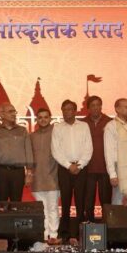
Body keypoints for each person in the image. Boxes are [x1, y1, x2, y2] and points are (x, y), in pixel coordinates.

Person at [52, 99, 92, 240]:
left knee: (81, 202)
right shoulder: (57, 128)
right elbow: (55, 151)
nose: (66, 112)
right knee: (65, 201)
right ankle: (65, 234)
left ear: (75, 111)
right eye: (64, 109)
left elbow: (88, 148)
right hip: (64, 169)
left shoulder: (84, 126)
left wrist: (79, 165)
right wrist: (69, 166)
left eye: (69, 109)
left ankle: (79, 234)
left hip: (81, 169)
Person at [30, 107, 60, 243]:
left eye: (46, 117)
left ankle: (53, 235)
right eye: (40, 117)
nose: (43, 120)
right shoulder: (32, 136)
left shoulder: (56, 133)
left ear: (50, 118)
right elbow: (29, 158)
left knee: (52, 208)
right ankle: (43, 236)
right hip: (37, 179)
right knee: (42, 211)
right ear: (37, 119)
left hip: (53, 178)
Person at [0, 102, 32, 202]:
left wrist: (29, 173)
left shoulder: (22, 131)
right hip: (0, 172)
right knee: (1, 204)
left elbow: (28, 151)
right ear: (2, 114)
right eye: (10, 111)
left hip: (18, 172)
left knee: (17, 204)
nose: (14, 114)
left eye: (14, 111)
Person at [105, 98, 127, 205]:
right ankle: (117, 222)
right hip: (120, 168)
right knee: (118, 200)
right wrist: (112, 174)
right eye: (126, 107)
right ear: (117, 109)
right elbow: (109, 152)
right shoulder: (111, 126)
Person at [81, 96, 112, 221]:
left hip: (106, 168)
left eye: (98, 105)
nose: (96, 108)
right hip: (88, 169)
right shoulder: (82, 123)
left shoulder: (110, 122)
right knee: (88, 203)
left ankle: (107, 229)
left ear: (101, 106)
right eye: (92, 105)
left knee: (106, 203)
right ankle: (90, 228)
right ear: (88, 108)